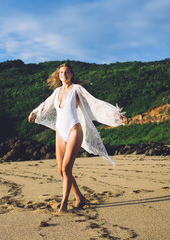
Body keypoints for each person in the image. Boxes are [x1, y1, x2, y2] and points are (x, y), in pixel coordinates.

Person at [28, 63, 126, 212]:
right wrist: (34, 112)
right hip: (60, 131)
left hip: (74, 129)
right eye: (61, 72)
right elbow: (46, 104)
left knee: (67, 168)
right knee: (61, 171)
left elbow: (95, 104)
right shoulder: (56, 92)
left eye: (67, 72)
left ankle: (64, 204)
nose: (64, 74)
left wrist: (117, 115)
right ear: (58, 75)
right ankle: (80, 197)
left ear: (71, 74)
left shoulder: (77, 89)